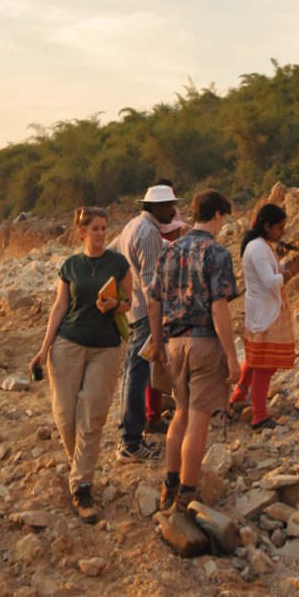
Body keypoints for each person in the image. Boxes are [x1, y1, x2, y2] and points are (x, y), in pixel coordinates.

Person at [30, 207, 131, 523]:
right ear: (82, 233)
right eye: (95, 229)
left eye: (104, 228)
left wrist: (116, 304)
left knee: (92, 413)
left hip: (106, 348)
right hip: (67, 344)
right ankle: (82, 468)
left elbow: (130, 302)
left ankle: (81, 487)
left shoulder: (118, 263)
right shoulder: (71, 265)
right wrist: (44, 349)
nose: (101, 233)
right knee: (65, 417)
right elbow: (60, 307)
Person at [147, 188, 240, 513]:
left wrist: (158, 345)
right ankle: (187, 493)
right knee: (199, 421)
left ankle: (168, 486)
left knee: (180, 416)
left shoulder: (168, 252)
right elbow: (219, 309)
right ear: (218, 215)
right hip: (204, 344)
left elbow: (153, 302)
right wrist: (231, 355)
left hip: (174, 345)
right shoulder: (217, 254)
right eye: (223, 218)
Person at [109, 182, 178, 461]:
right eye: (169, 206)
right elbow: (153, 287)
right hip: (145, 312)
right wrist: (160, 320)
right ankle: (131, 441)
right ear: (156, 206)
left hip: (133, 309)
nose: (173, 211)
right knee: (137, 376)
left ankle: (129, 430)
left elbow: (111, 256)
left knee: (132, 373)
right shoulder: (149, 232)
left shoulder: (131, 226)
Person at [229, 204, 299, 430]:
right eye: (279, 228)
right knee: (264, 365)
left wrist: (292, 263)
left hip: (265, 310)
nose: (282, 232)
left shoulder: (262, 245)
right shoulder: (257, 248)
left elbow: (272, 270)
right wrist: (296, 269)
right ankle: (259, 416)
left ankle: (237, 397)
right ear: (267, 226)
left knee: (255, 358)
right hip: (265, 312)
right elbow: (270, 281)